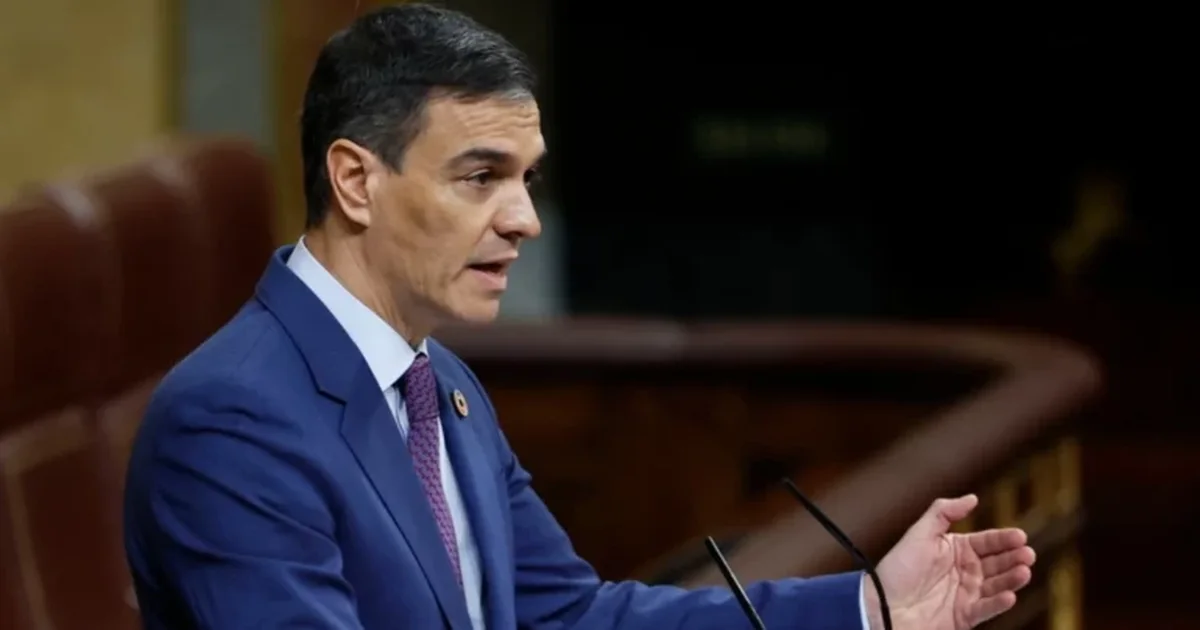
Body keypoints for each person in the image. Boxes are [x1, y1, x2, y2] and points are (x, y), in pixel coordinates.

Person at [122, 4, 1036, 629]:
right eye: (481, 177)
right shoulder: (232, 419)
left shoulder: (439, 383)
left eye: (527, 179)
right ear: (356, 181)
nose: (522, 218)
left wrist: (868, 607)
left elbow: (567, 616)